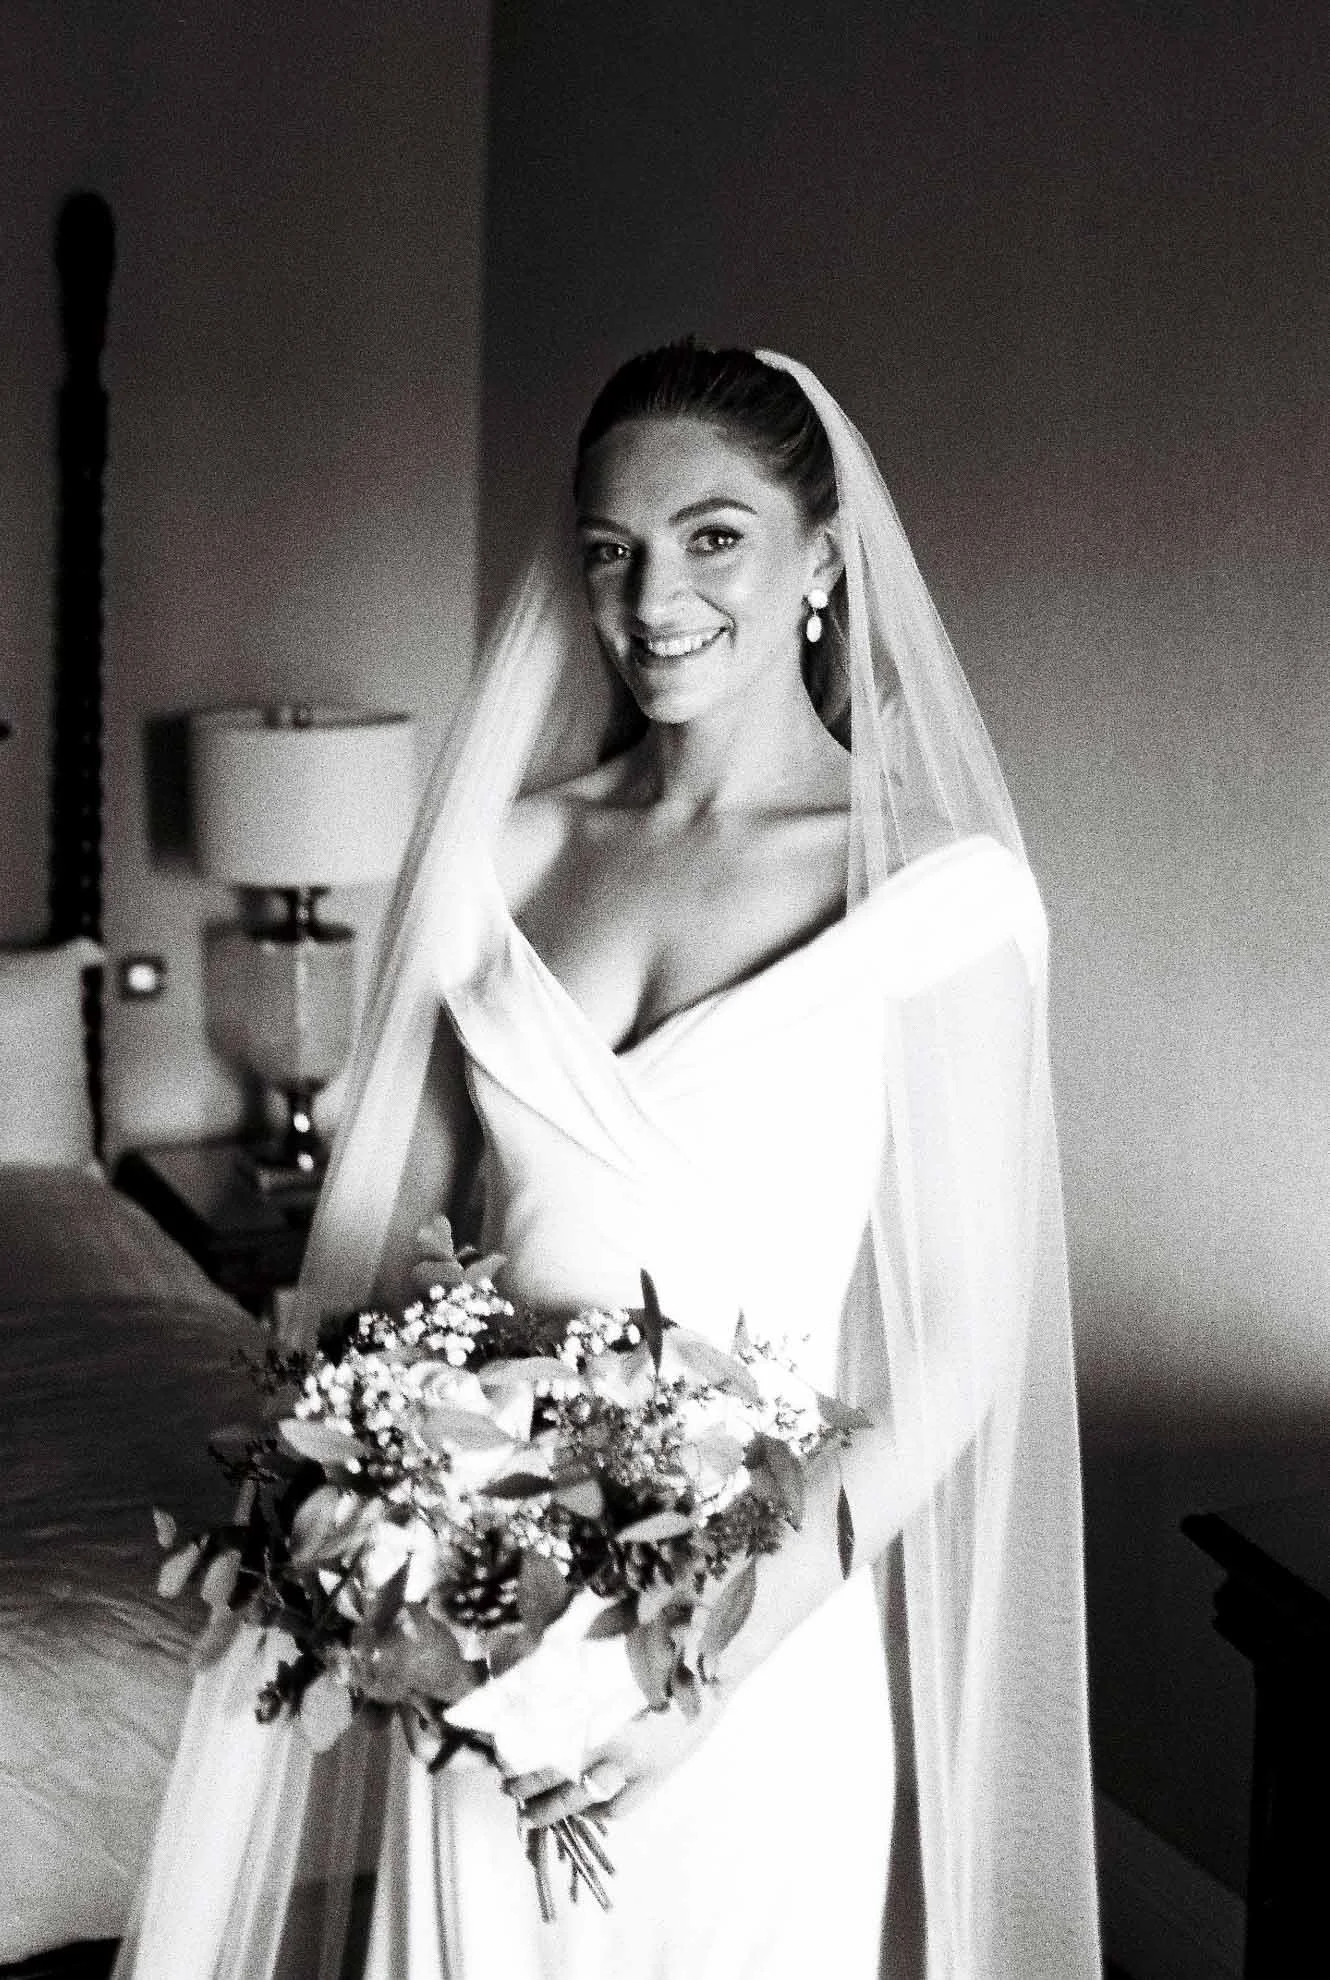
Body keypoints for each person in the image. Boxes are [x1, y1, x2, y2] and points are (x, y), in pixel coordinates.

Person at [115, 343, 1101, 1978]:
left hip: (760, 1639)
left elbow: (952, 1347)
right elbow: (385, 1268)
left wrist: (702, 1665)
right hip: (487, 1634)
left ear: (823, 563)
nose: (651, 597)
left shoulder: (937, 899)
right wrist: (395, 1544)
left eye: (711, 536)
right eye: (608, 548)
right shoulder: (502, 858)